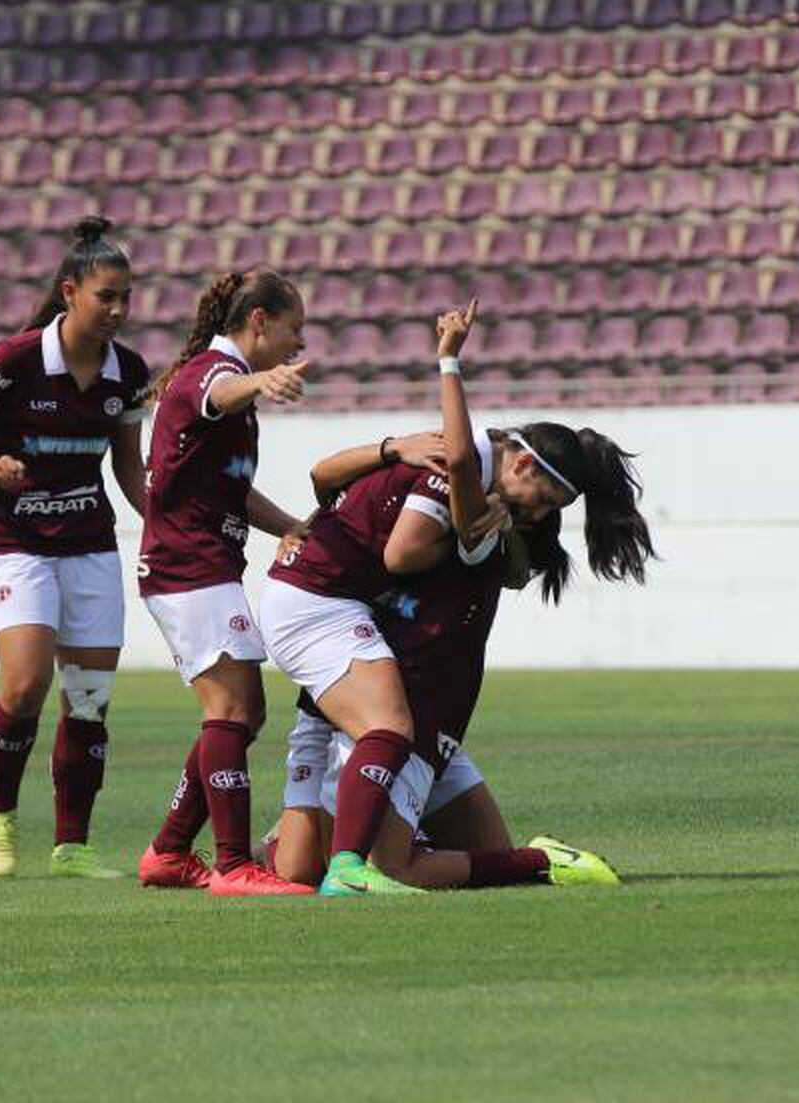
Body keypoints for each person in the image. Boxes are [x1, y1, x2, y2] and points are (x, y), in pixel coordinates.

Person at [260, 302, 655, 895]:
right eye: (541, 499)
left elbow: (461, 487)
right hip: (404, 689)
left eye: (545, 510)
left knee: (436, 860)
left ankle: (529, 860)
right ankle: (345, 850)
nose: (536, 514)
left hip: (429, 707)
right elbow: (397, 490)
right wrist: (402, 434)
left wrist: (448, 364)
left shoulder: (485, 519)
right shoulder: (469, 496)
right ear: (520, 462)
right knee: (342, 862)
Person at [0, 216, 149, 880]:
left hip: (88, 543)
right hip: (15, 540)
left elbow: (130, 470)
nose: (116, 309)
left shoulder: (128, 372)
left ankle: (72, 846)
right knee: (24, 686)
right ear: (69, 292)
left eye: (124, 298)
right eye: (104, 296)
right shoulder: (17, 357)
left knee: (88, 696)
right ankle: (1, 816)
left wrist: (166, 527)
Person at [132, 269, 320, 897]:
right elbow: (221, 390)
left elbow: (234, 489)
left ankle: (168, 852)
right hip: (189, 569)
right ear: (259, 321)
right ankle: (233, 864)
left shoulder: (228, 391)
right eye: (293, 328)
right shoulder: (210, 375)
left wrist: (290, 525)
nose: (298, 342)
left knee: (240, 711)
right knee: (233, 708)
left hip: (200, 567)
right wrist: (260, 380)